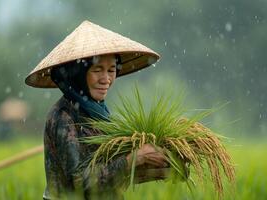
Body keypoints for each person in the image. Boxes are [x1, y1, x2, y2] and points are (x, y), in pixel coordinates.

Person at [25, 20, 168, 200]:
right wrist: (134, 159)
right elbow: (80, 183)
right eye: (97, 70)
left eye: (111, 70)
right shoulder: (64, 116)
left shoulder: (99, 114)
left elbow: (112, 173)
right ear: (78, 73)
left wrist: (162, 162)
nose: (106, 79)